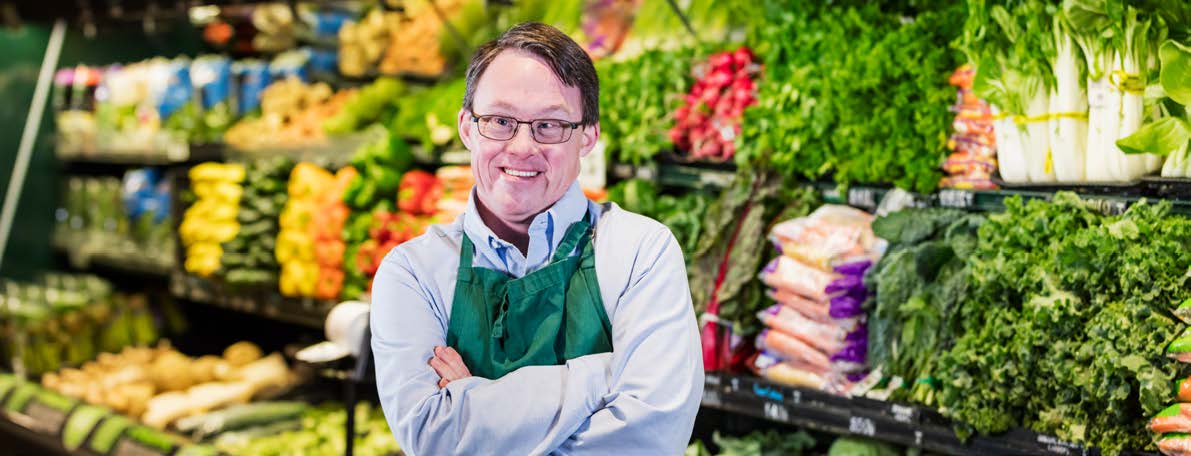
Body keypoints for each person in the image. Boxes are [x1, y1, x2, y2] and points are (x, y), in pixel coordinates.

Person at [370, 22, 703, 455]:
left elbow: (650, 439)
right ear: (467, 128)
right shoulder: (412, 273)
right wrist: (603, 376)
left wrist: (477, 404)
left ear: (588, 136)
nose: (523, 146)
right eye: (500, 121)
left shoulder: (641, 251)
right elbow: (433, 437)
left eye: (549, 125)